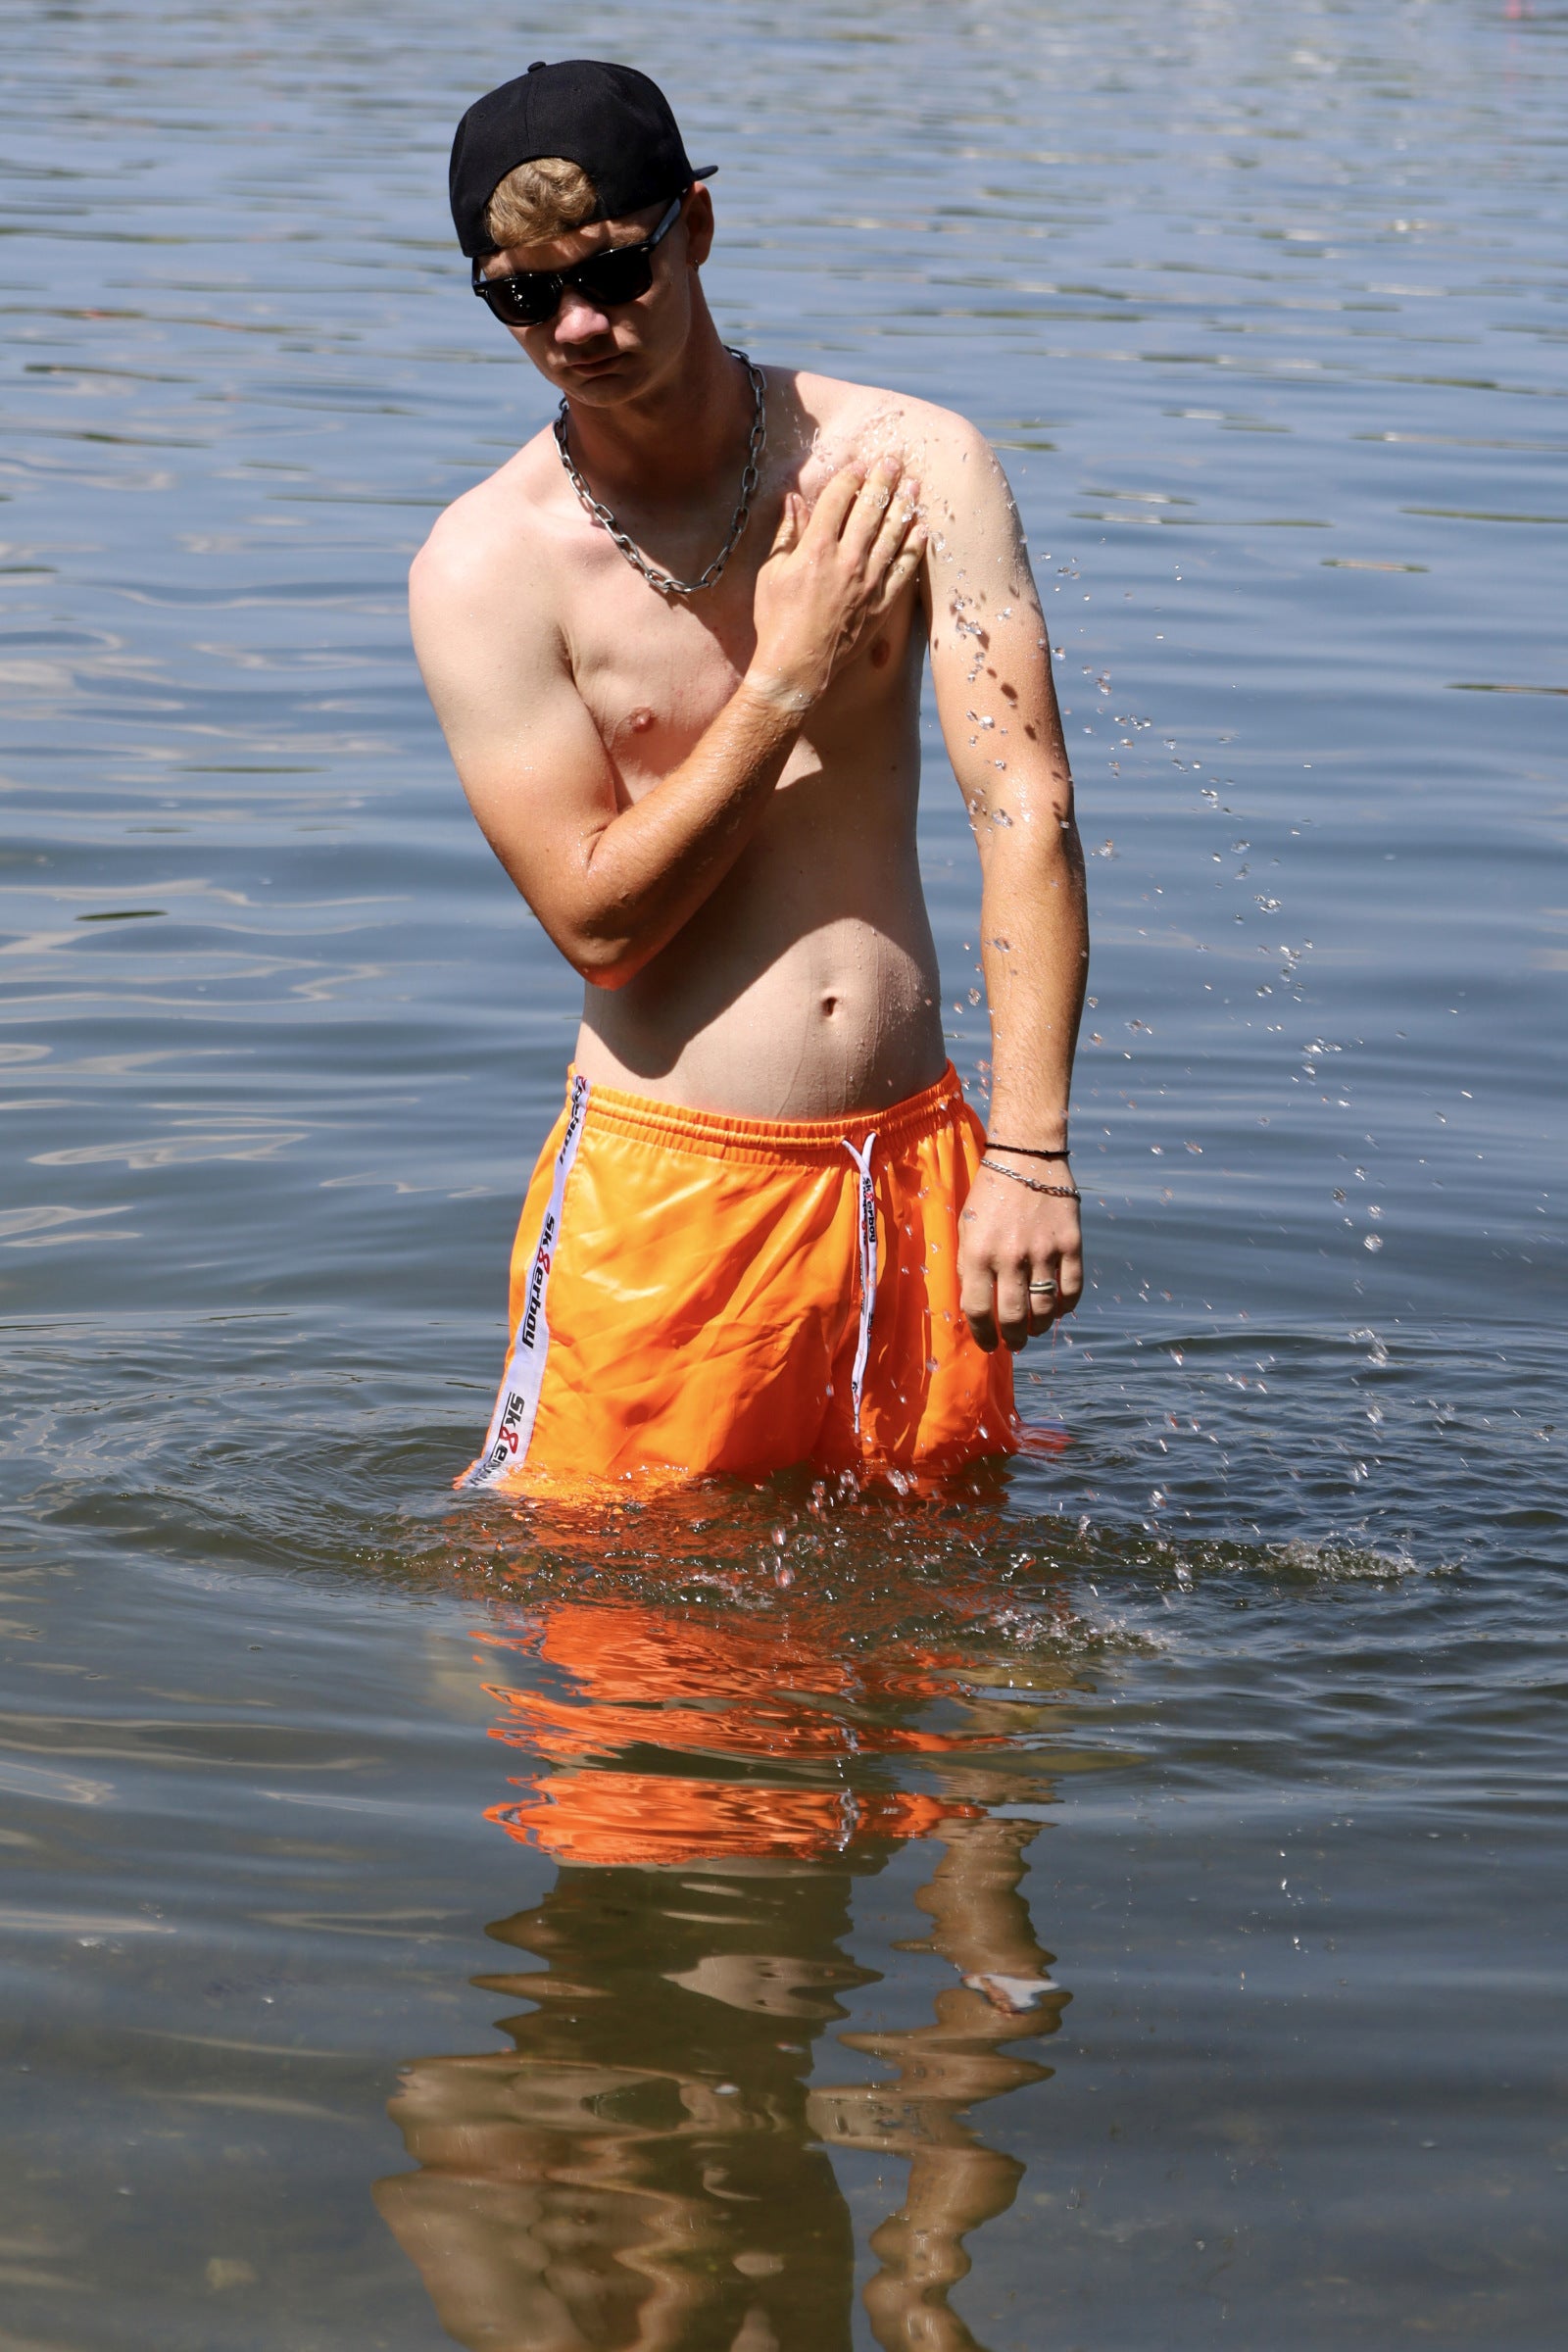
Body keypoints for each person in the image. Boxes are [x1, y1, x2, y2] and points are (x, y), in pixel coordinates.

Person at [414, 59, 1088, 1488]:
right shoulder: (488, 566)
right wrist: (788, 674)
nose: (578, 325)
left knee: (950, 1608)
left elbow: (1026, 808)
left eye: (614, 271)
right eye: (524, 298)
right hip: (666, 1193)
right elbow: (599, 923)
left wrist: (1028, 1154)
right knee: (605, 1613)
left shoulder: (911, 465)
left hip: (923, 1171)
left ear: (698, 228)